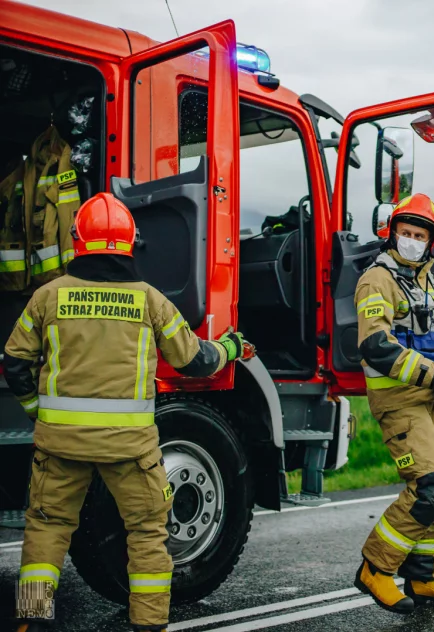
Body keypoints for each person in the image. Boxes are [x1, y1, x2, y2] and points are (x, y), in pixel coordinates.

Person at [3, 193, 247, 632]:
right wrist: (230, 346)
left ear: (78, 241)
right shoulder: (149, 301)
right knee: (147, 531)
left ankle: (32, 619)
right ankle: (148, 625)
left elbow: (15, 363)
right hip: (129, 448)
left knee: (46, 527)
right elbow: (196, 362)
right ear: (132, 243)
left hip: (60, 445)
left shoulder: (48, 297)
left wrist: (38, 413)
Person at [352, 193, 434, 614]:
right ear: (393, 233)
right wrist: (431, 372)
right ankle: (375, 568)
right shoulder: (377, 279)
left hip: (430, 399)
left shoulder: (428, 279)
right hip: (399, 398)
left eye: (420, 235)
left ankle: (422, 577)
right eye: (406, 232)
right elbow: (376, 345)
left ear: (430, 242)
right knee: (428, 488)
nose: (412, 240)